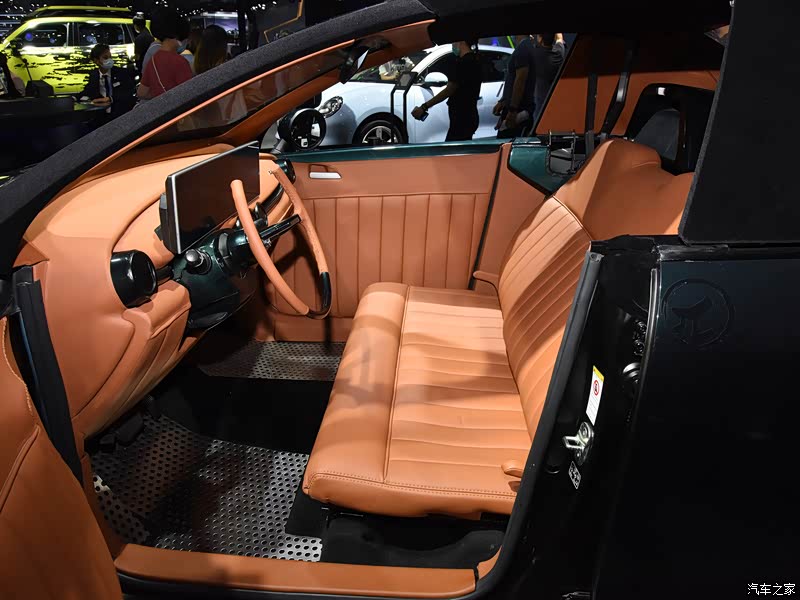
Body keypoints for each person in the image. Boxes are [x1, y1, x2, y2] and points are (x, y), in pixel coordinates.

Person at [411, 40, 481, 141]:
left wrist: (424, 107)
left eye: (453, 42)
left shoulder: (462, 63)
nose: (453, 45)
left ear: (461, 41)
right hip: (470, 115)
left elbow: (449, 90)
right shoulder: (475, 61)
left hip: (461, 117)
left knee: (454, 147)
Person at [138, 9, 193, 101]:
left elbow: (141, 93)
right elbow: (189, 96)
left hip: (160, 107)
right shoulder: (180, 62)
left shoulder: (153, 59)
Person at [494, 34, 537, 138]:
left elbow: (520, 80)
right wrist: (504, 100)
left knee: (506, 142)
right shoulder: (526, 47)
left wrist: (513, 110)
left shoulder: (523, 49)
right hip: (518, 108)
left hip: (518, 110)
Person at [78, 44, 135, 118]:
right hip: (100, 114)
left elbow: (129, 92)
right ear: (96, 61)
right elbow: (87, 90)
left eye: (110, 57)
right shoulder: (94, 75)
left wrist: (110, 99)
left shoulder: (121, 73)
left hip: (120, 114)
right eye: (105, 58)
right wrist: (73, 98)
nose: (109, 60)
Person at [532, 33, 566, 121]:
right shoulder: (559, 54)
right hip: (554, 103)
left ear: (540, 39)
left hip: (540, 105)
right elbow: (559, 38)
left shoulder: (535, 54)